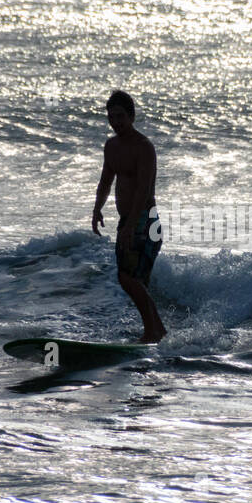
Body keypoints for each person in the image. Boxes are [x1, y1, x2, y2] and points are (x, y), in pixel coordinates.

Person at [91, 90, 166, 343]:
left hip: (146, 220)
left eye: (121, 116)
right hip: (128, 222)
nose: (116, 122)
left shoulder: (144, 147)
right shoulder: (111, 146)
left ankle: (153, 330)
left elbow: (144, 191)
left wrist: (131, 225)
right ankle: (157, 330)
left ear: (132, 116)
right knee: (135, 280)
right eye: (111, 118)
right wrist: (97, 209)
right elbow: (105, 182)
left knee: (127, 277)